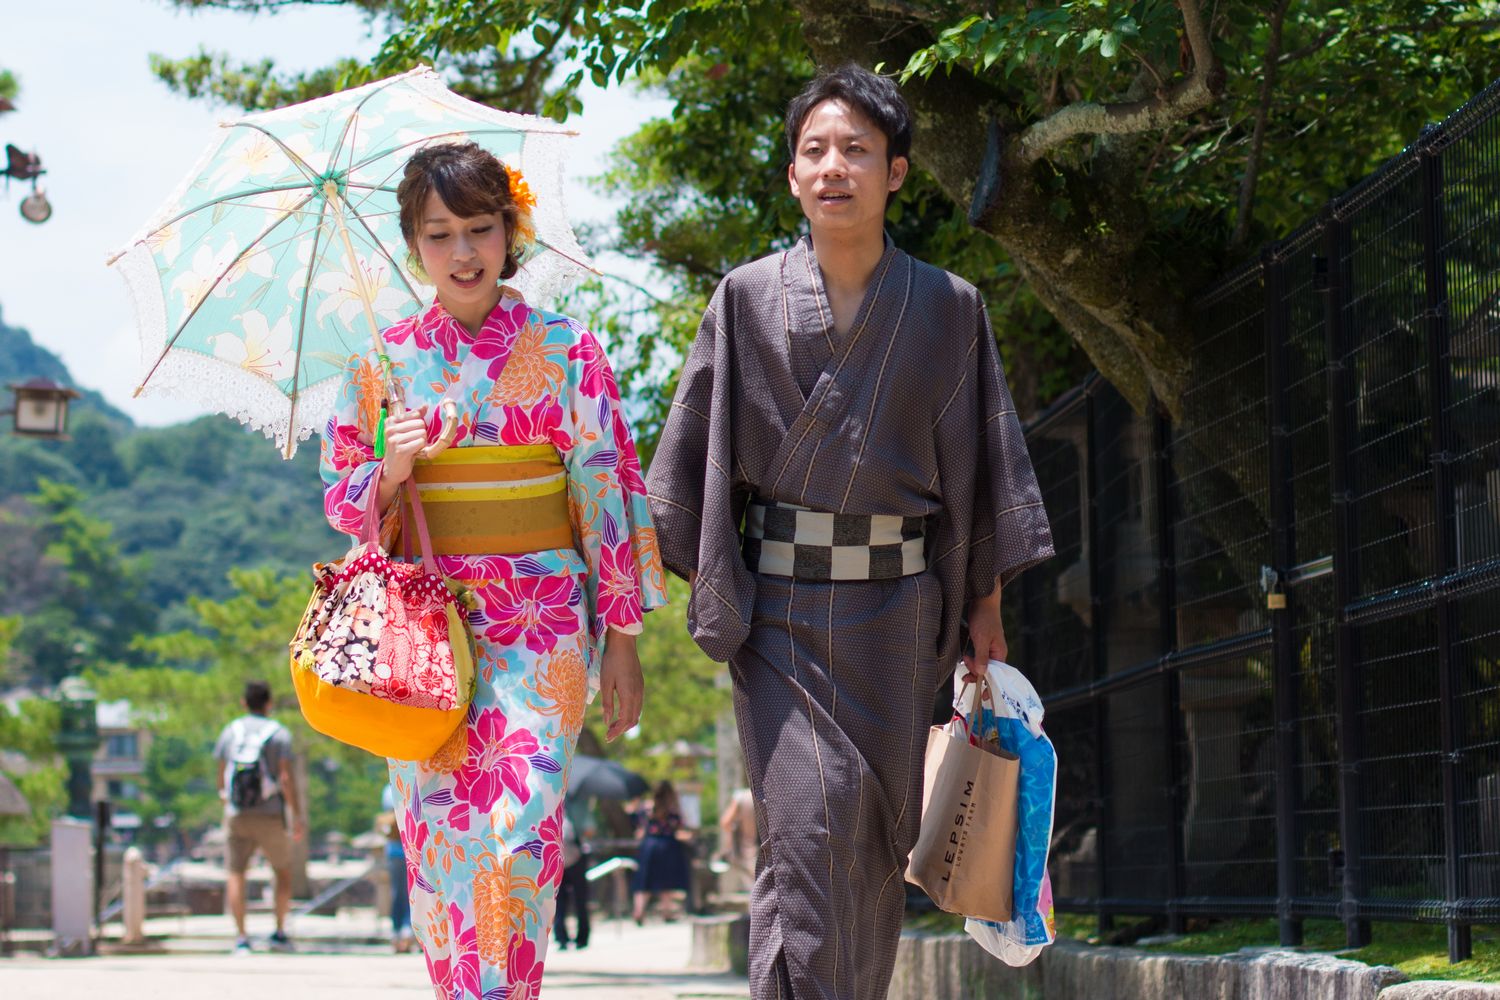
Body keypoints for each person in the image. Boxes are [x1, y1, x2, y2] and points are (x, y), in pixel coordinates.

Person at [645, 64, 1055, 1000]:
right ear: (792, 175)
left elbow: (979, 468)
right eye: (814, 151)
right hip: (781, 617)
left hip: (902, 617)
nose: (835, 168)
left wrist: (984, 605)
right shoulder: (744, 300)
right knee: (811, 823)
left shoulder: (949, 307)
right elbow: (696, 461)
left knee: (867, 851)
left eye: (857, 151)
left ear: (897, 172)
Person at [319, 141, 667, 1000]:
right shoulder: (380, 360)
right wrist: (389, 473)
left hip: (542, 619)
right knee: (438, 841)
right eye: (439, 234)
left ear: (511, 233)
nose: (463, 252)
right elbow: (341, 499)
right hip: (424, 631)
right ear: (413, 246)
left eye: (481, 228)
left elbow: (607, 491)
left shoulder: (567, 347)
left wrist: (622, 639)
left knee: (520, 827)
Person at [213, 679, 304, 955]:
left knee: (236, 873)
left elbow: (221, 772)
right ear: (269, 703)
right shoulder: (278, 733)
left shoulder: (231, 731)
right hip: (270, 814)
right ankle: (278, 932)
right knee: (282, 871)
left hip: (237, 812)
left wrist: (226, 799)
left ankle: (241, 937)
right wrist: (295, 815)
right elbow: (285, 778)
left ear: (244, 703)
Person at [630, 780, 692, 923]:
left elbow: (640, 830)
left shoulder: (647, 808)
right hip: (667, 845)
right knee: (666, 880)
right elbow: (680, 828)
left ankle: (639, 911)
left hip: (649, 845)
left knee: (644, 880)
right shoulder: (673, 810)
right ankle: (666, 912)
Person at [378, 782, 415, 953]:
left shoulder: (389, 789)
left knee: (397, 893)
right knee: (412, 894)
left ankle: (397, 932)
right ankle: (407, 932)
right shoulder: (412, 782)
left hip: (394, 851)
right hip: (411, 848)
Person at [552, 813, 590, 951]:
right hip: (564, 859)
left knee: (565, 901)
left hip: (568, 858)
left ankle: (567, 938)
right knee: (561, 902)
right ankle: (564, 937)